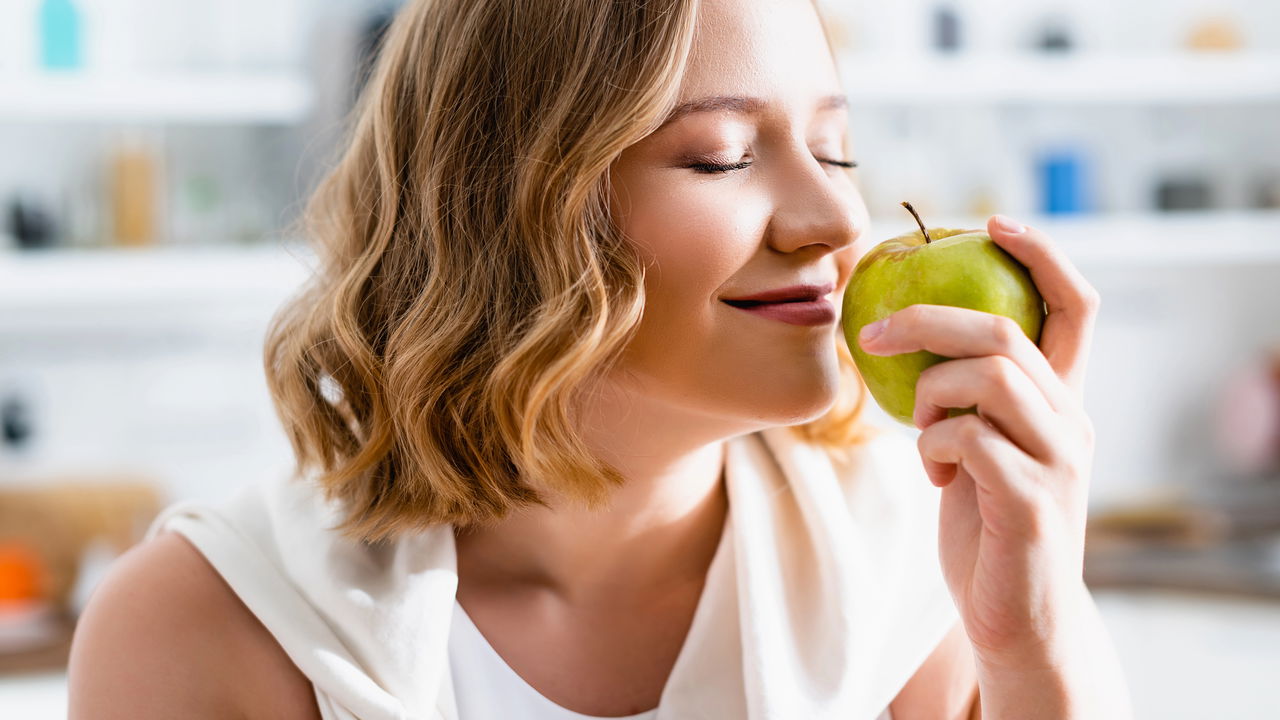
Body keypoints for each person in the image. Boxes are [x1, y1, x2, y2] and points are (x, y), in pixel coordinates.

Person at [67, 0, 1133, 718]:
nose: (832, 217)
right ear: (503, 212)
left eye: (834, 147)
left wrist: (1032, 638)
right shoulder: (213, 625)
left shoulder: (903, 573)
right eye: (721, 156)